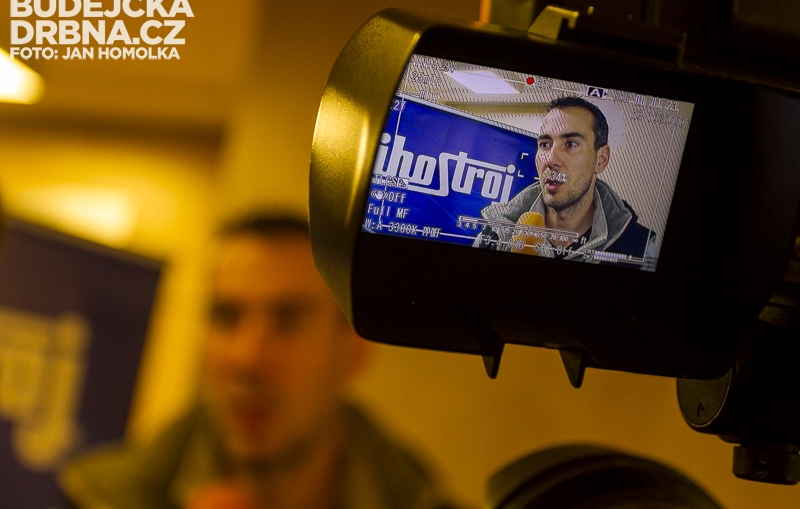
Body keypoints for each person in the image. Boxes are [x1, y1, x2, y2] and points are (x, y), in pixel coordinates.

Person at [60, 214, 457, 509]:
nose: (246, 358)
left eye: (289, 321)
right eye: (227, 317)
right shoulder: (98, 499)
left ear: (353, 352)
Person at [474, 96, 658, 267]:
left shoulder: (641, 251)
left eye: (571, 144)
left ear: (601, 159)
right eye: (545, 145)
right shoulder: (495, 235)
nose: (551, 160)